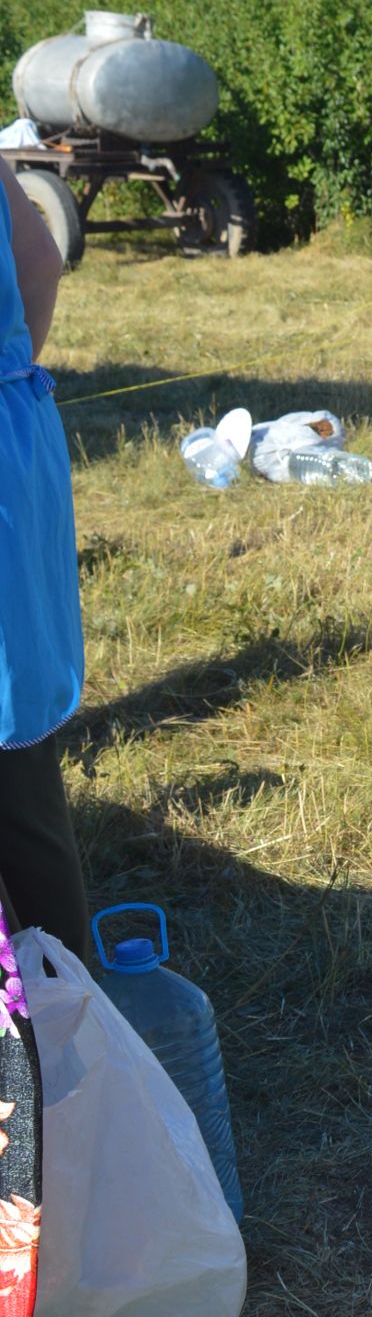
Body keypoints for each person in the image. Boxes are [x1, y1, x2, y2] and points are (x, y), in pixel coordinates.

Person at [0, 154, 86, 952]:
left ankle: (40, 1044)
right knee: (20, 784)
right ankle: (68, 1006)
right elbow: (40, 256)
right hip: (12, 432)